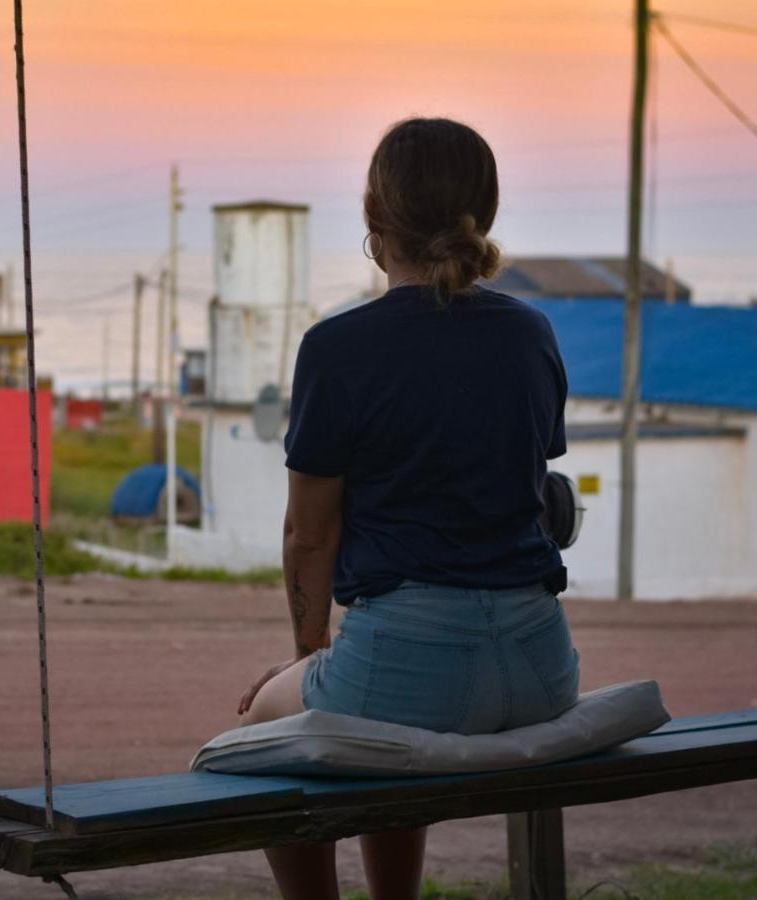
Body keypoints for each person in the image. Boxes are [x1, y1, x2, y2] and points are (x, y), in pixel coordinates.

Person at [237, 117, 580, 900]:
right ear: (482, 215)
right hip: (540, 664)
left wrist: (307, 652)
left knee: (265, 725)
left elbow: (308, 534)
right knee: (379, 723)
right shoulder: (530, 333)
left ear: (373, 217)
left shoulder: (338, 347)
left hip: (408, 663)